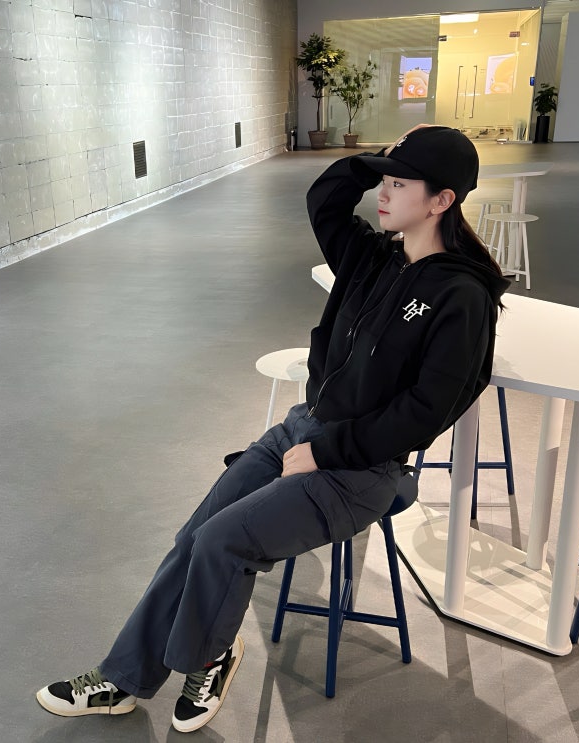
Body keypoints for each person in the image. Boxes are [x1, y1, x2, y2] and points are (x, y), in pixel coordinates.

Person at [36, 125, 510, 733]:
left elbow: (425, 412)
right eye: (384, 182)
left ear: (442, 200)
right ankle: (122, 678)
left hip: (361, 469)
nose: (383, 194)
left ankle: (209, 657)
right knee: (193, 537)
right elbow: (325, 199)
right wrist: (379, 158)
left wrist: (327, 451)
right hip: (302, 429)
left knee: (222, 542)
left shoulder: (461, 296)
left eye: (400, 184)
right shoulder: (373, 258)